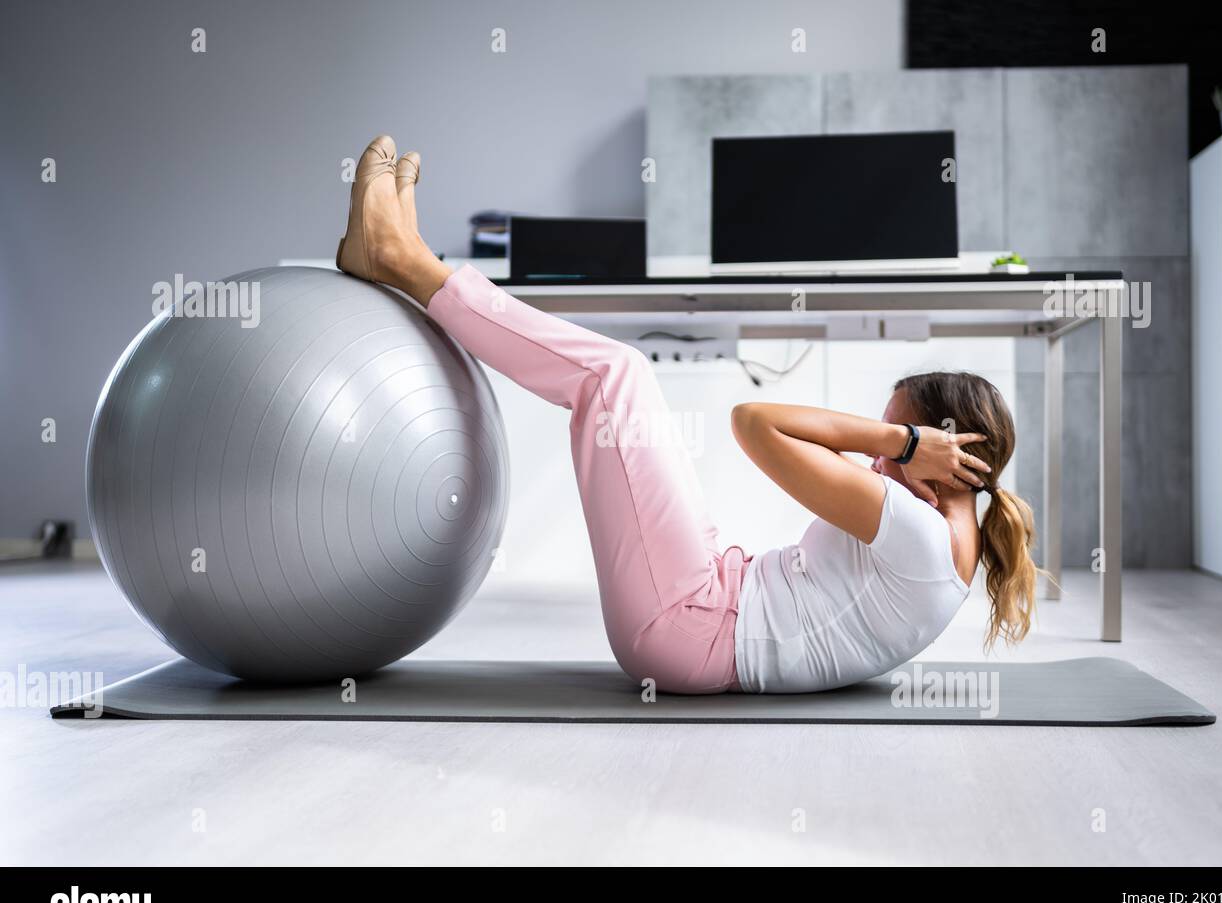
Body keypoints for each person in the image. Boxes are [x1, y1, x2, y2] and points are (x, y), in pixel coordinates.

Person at [336, 135, 1040, 695]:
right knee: (630, 404)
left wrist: (902, 440)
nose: (877, 460)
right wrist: (906, 442)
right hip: (709, 597)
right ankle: (405, 262)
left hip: (688, 629)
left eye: (897, 446)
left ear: (946, 456)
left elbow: (753, 421)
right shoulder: (946, 536)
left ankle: (401, 260)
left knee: (615, 375)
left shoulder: (917, 531)